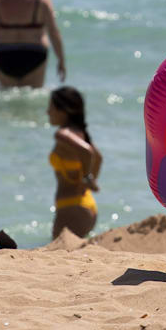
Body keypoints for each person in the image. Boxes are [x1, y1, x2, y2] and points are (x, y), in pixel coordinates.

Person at [48, 86, 101, 238]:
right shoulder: (80, 133)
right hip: (84, 204)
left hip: (72, 209)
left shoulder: (62, 134)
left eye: (51, 107)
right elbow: (98, 157)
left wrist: (87, 178)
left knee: (58, 250)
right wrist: (90, 181)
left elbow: (88, 152)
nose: (48, 112)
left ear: (64, 111)